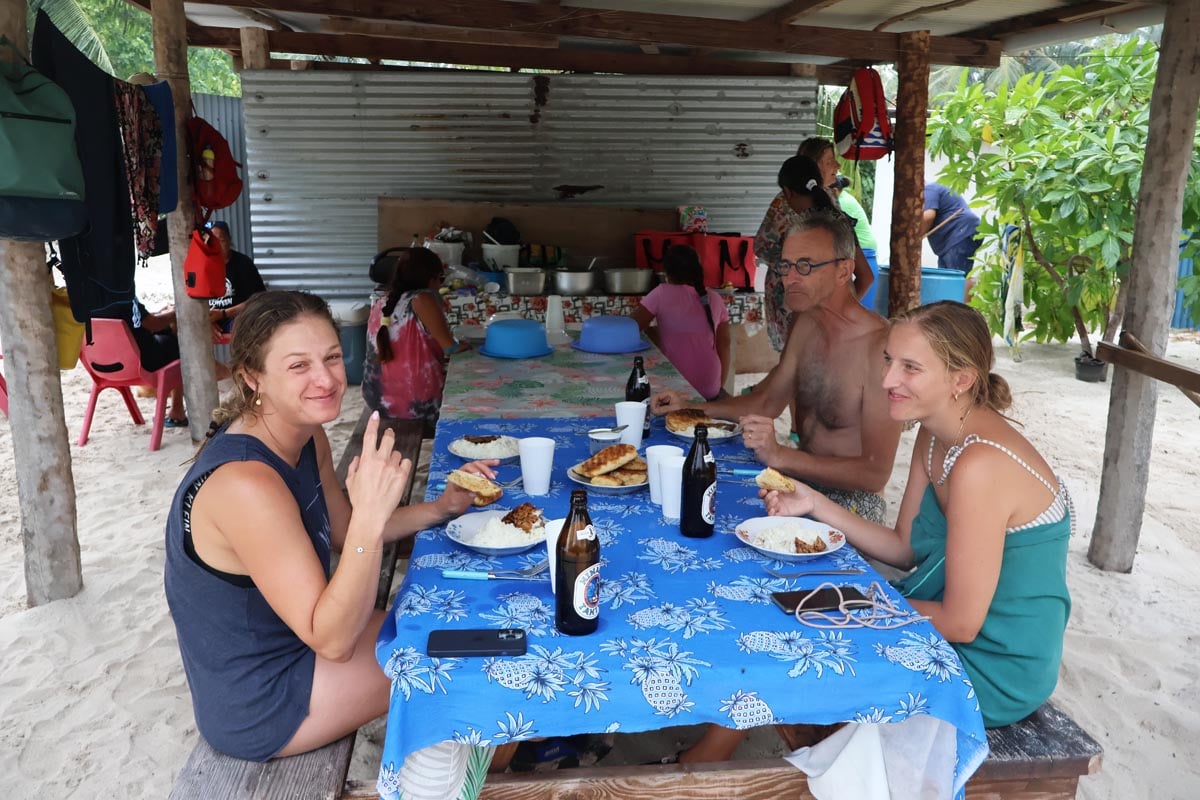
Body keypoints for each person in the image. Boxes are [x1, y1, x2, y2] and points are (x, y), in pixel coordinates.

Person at [163, 290, 499, 762]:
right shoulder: (244, 484)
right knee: (474, 664)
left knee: (473, 627)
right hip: (266, 698)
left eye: (333, 357)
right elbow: (335, 640)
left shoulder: (303, 432)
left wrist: (441, 508)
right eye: (298, 366)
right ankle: (504, 772)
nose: (325, 379)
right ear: (251, 377)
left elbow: (341, 531)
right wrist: (369, 516)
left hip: (303, 638)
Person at [763, 300, 1071, 729]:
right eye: (888, 360)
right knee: (794, 613)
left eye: (910, 368)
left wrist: (851, 608)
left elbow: (961, 624)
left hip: (993, 665)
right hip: (950, 626)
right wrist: (814, 502)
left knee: (813, 645)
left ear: (960, 380)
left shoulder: (980, 465)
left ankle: (705, 770)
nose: (888, 379)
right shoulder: (934, 433)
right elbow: (904, 549)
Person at [653, 208, 902, 525]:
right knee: (696, 505)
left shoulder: (880, 348)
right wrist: (691, 408)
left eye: (805, 266)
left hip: (854, 501)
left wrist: (781, 455)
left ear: (843, 271)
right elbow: (768, 402)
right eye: (785, 265)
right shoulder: (807, 322)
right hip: (798, 478)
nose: (789, 278)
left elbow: (875, 473)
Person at [756, 153, 874, 352]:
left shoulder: (800, 234)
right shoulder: (840, 221)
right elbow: (867, 277)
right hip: (835, 336)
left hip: (808, 341)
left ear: (787, 192)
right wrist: (843, 313)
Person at [362, 247, 468, 428]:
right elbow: (450, 347)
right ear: (431, 277)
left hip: (376, 396)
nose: (440, 285)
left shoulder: (383, 301)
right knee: (469, 397)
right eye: (440, 279)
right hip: (415, 403)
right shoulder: (422, 299)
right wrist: (470, 346)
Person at [631, 244, 731, 400]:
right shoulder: (715, 298)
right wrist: (719, 385)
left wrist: (652, 331)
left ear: (666, 272)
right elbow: (725, 344)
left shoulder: (661, 293)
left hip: (674, 385)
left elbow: (632, 327)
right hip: (710, 384)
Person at [102, 297, 187, 427]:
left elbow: (138, 320)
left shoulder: (87, 300)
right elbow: (153, 324)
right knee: (176, 342)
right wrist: (176, 311)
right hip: (141, 365)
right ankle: (177, 410)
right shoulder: (122, 293)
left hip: (102, 366)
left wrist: (161, 313)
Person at [922, 183, 982, 301]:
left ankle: (963, 313)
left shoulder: (928, 190)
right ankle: (950, 312)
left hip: (960, 233)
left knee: (958, 275)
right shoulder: (929, 192)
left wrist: (916, 237)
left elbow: (928, 216)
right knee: (946, 277)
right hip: (951, 240)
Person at [205, 221, 267, 334]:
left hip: (236, 317)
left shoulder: (243, 264)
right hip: (208, 319)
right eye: (211, 241)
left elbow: (258, 300)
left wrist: (224, 313)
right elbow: (191, 302)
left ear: (229, 240)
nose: (217, 245)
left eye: (221, 240)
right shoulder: (201, 266)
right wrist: (206, 321)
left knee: (245, 327)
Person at [831, 175, 880, 310]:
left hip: (861, 252)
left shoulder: (838, 204)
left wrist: (844, 311)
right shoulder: (841, 198)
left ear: (834, 191)